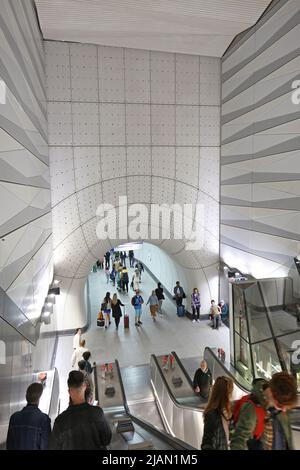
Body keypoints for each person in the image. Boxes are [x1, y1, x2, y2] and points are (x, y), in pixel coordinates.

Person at [231, 373, 297, 450]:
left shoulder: (281, 408)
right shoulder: (252, 408)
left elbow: (287, 440)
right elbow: (239, 440)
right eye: (280, 405)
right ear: (271, 393)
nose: (284, 409)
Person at [49, 371, 112, 450]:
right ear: (84, 386)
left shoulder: (60, 421)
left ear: (69, 391)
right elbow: (107, 440)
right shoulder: (97, 413)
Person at [6, 382, 51, 450]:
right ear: (39, 398)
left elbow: (9, 446)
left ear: (26, 396)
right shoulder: (44, 419)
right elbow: (45, 446)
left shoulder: (14, 417)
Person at [201, 376, 233, 450]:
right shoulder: (212, 415)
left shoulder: (226, 414)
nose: (231, 395)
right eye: (230, 392)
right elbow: (207, 444)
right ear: (225, 394)